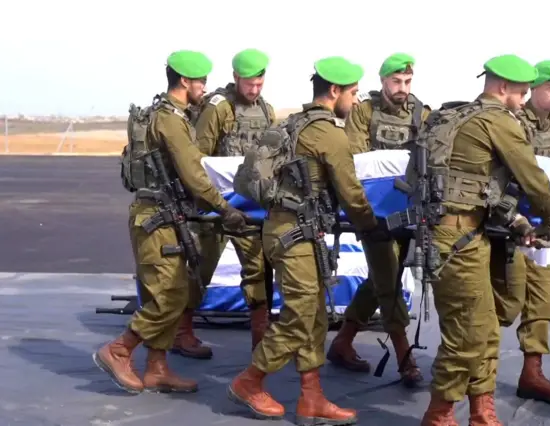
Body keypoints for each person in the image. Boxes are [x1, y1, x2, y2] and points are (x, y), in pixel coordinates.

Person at [227, 56, 381, 425]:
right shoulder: (329, 133)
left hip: (292, 231)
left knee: (313, 316)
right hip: (295, 234)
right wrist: (372, 228)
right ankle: (250, 381)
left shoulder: (294, 124)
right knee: (299, 316)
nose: (356, 102)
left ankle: (311, 397)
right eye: (354, 93)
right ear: (334, 91)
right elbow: (351, 192)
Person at [92, 50, 247, 394]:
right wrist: (226, 209)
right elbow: (195, 174)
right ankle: (119, 350)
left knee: (160, 294)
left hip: (158, 216)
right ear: (185, 81)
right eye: (201, 81)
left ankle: (157, 367)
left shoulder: (161, 114)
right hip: (157, 219)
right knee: (172, 295)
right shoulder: (172, 121)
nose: (205, 88)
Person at [419, 54, 550, 425]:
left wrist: (515, 221)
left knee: (484, 325)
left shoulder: (455, 118)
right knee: (469, 331)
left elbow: (477, 189)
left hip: (461, 233)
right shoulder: (497, 121)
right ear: (502, 87)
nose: (524, 98)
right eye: (521, 91)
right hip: (459, 238)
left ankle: (481, 410)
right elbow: (534, 180)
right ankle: (439, 413)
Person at [327, 52, 430, 387]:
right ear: (383, 81)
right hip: (373, 214)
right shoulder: (363, 113)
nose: (402, 88)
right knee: (388, 280)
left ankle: (343, 341)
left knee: (383, 276)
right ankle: (404, 358)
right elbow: (358, 160)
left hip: (409, 215)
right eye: (396, 81)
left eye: (407, 82)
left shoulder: (422, 114)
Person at [169, 48, 277, 360]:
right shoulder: (218, 109)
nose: (254, 90)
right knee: (201, 268)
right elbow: (198, 158)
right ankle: (182, 332)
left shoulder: (267, 111)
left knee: (258, 271)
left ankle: (260, 340)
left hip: (249, 207)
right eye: (248, 84)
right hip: (213, 206)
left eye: (259, 84)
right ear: (235, 78)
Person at [490, 59, 550, 406]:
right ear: (532, 89)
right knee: (503, 303)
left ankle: (532, 373)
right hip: (508, 224)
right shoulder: (511, 121)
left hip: (541, 225)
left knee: (542, 299)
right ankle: (477, 372)